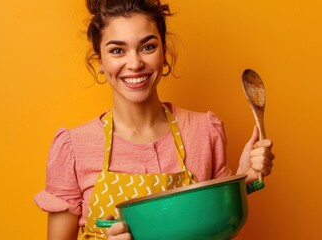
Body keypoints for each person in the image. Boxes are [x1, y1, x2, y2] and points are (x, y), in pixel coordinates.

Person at [34, 0, 275, 239]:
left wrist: (242, 182)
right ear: (99, 61)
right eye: (117, 50)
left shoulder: (204, 132)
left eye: (147, 47)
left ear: (164, 52)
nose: (135, 63)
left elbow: (221, 230)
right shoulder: (74, 149)